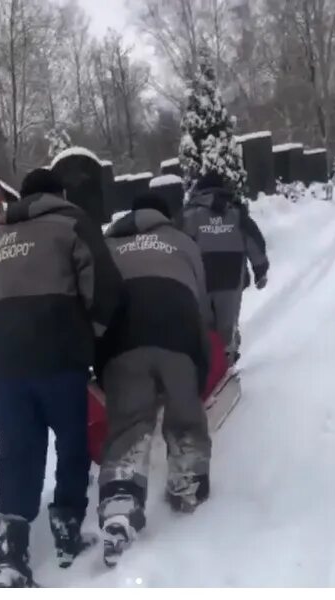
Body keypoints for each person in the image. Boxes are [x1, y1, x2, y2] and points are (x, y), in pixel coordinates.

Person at [0, 168, 122, 587]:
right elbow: (105, 286)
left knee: (17, 450)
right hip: (57, 356)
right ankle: (67, 531)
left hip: (3, 363)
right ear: (60, 193)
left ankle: (12, 558)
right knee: (73, 441)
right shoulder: (72, 223)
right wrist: (88, 337)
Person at [95, 192, 214, 565]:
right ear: (165, 217)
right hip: (177, 334)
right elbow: (201, 304)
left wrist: (102, 367)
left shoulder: (108, 245)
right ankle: (187, 482)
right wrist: (200, 369)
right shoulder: (182, 242)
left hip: (122, 342)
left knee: (129, 425)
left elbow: (94, 299)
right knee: (184, 415)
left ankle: (120, 503)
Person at [180, 170, 269, 363]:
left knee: (203, 324)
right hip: (231, 275)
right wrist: (260, 270)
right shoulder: (236, 213)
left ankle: (207, 365)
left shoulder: (189, 215)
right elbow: (254, 241)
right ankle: (227, 358)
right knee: (227, 325)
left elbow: (178, 246)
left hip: (200, 278)